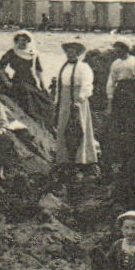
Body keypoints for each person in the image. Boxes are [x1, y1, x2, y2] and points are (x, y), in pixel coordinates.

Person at [51, 39, 99, 178]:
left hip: (78, 99)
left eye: (73, 52)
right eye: (68, 52)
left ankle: (82, 158)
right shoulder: (64, 67)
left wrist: (80, 99)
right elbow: (60, 86)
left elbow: (87, 84)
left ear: (78, 53)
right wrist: (57, 101)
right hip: (64, 100)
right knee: (63, 127)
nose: (70, 54)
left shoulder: (83, 67)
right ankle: (63, 159)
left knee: (81, 127)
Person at [104, 40, 135, 177]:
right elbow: (111, 82)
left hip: (133, 91)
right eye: (116, 49)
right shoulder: (115, 64)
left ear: (126, 49)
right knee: (120, 124)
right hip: (120, 92)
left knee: (134, 123)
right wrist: (110, 102)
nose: (117, 51)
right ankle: (121, 156)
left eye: (119, 48)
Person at [0, 30, 48, 117]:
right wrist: (6, 81)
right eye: (21, 40)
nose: (23, 42)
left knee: (41, 98)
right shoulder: (12, 52)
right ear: (17, 41)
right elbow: (0, 67)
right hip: (18, 79)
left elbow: (38, 70)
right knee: (25, 92)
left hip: (31, 79)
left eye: (25, 40)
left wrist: (42, 84)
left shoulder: (33, 53)